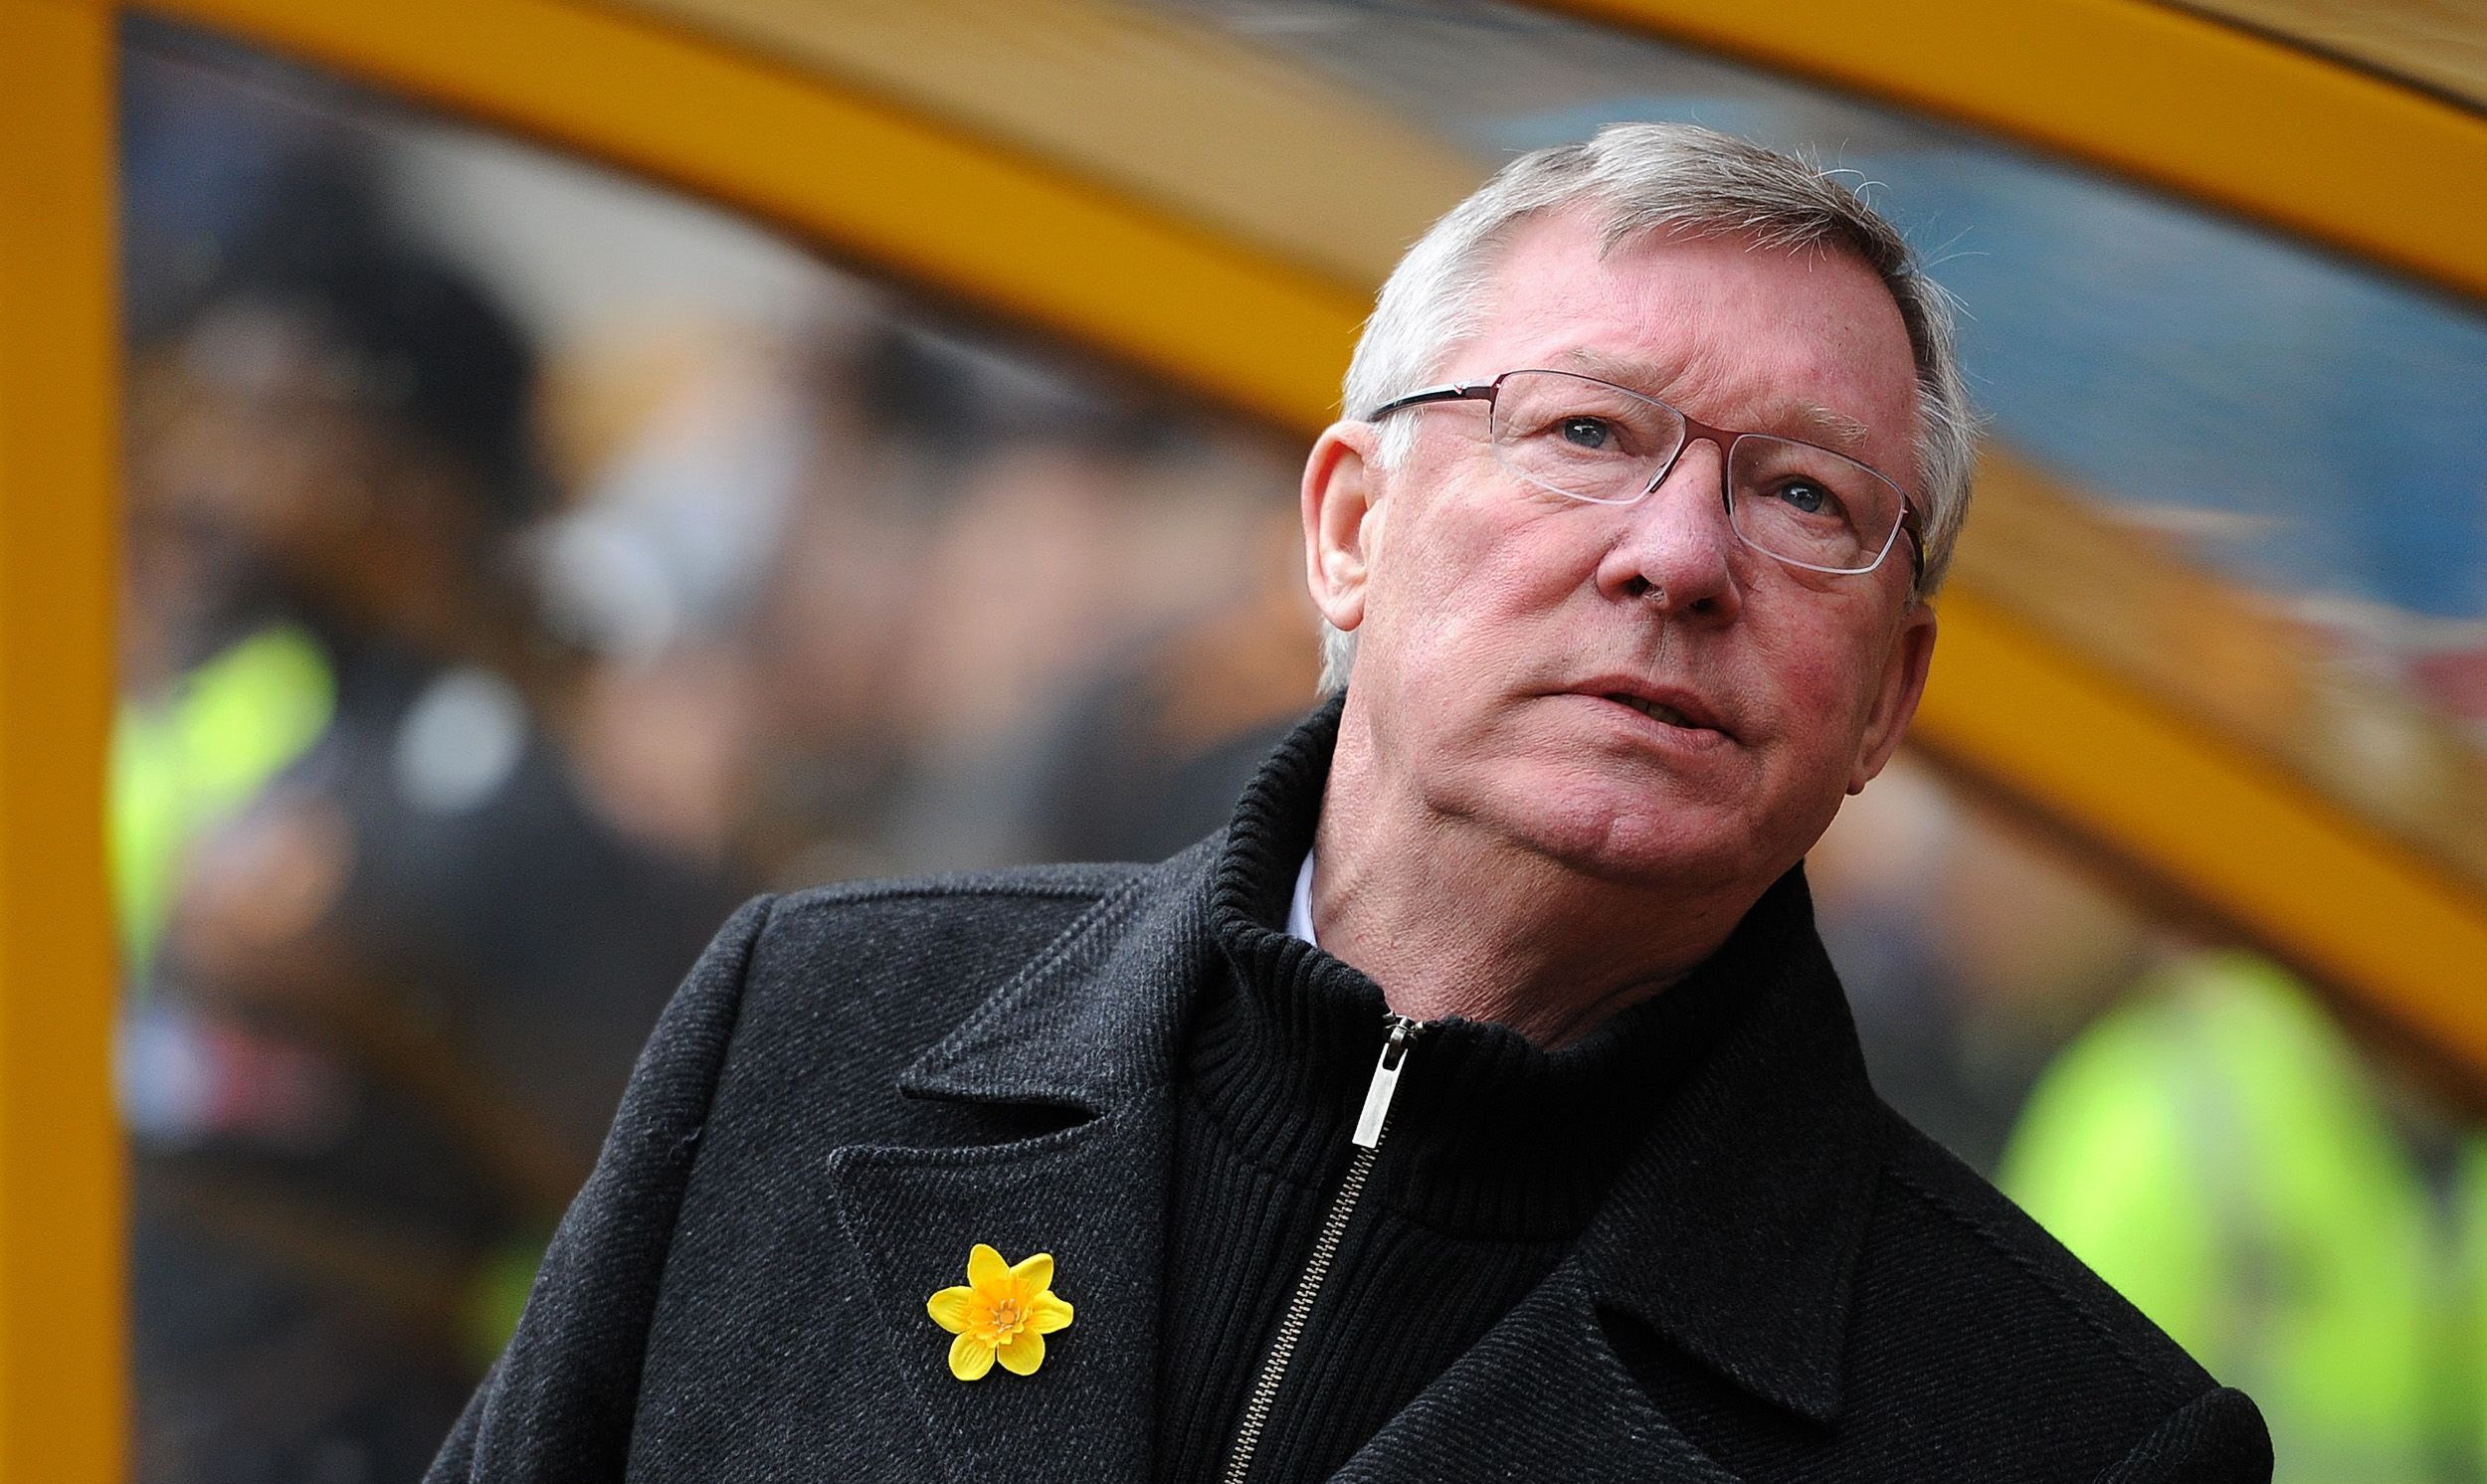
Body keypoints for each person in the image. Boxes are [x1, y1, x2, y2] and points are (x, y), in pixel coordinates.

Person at [428, 124, 2271, 1483]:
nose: (1680, 556)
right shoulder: (815, 1028)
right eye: (1585, 432)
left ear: (1889, 695)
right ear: (1350, 528)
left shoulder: (2068, 1442)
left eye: (1802, 496)